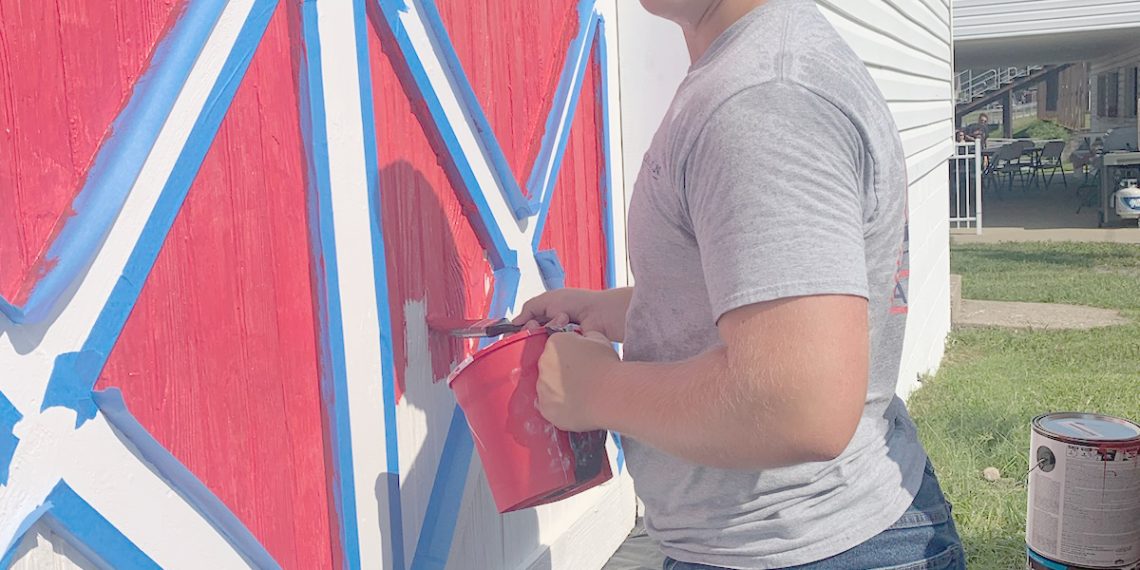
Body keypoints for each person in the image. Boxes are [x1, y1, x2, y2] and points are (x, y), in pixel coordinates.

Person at [514, 1, 965, 569]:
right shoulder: (749, 69)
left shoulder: (760, 99)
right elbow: (760, 303)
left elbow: (797, 402)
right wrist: (624, 311)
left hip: (808, 548)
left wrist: (594, 390)